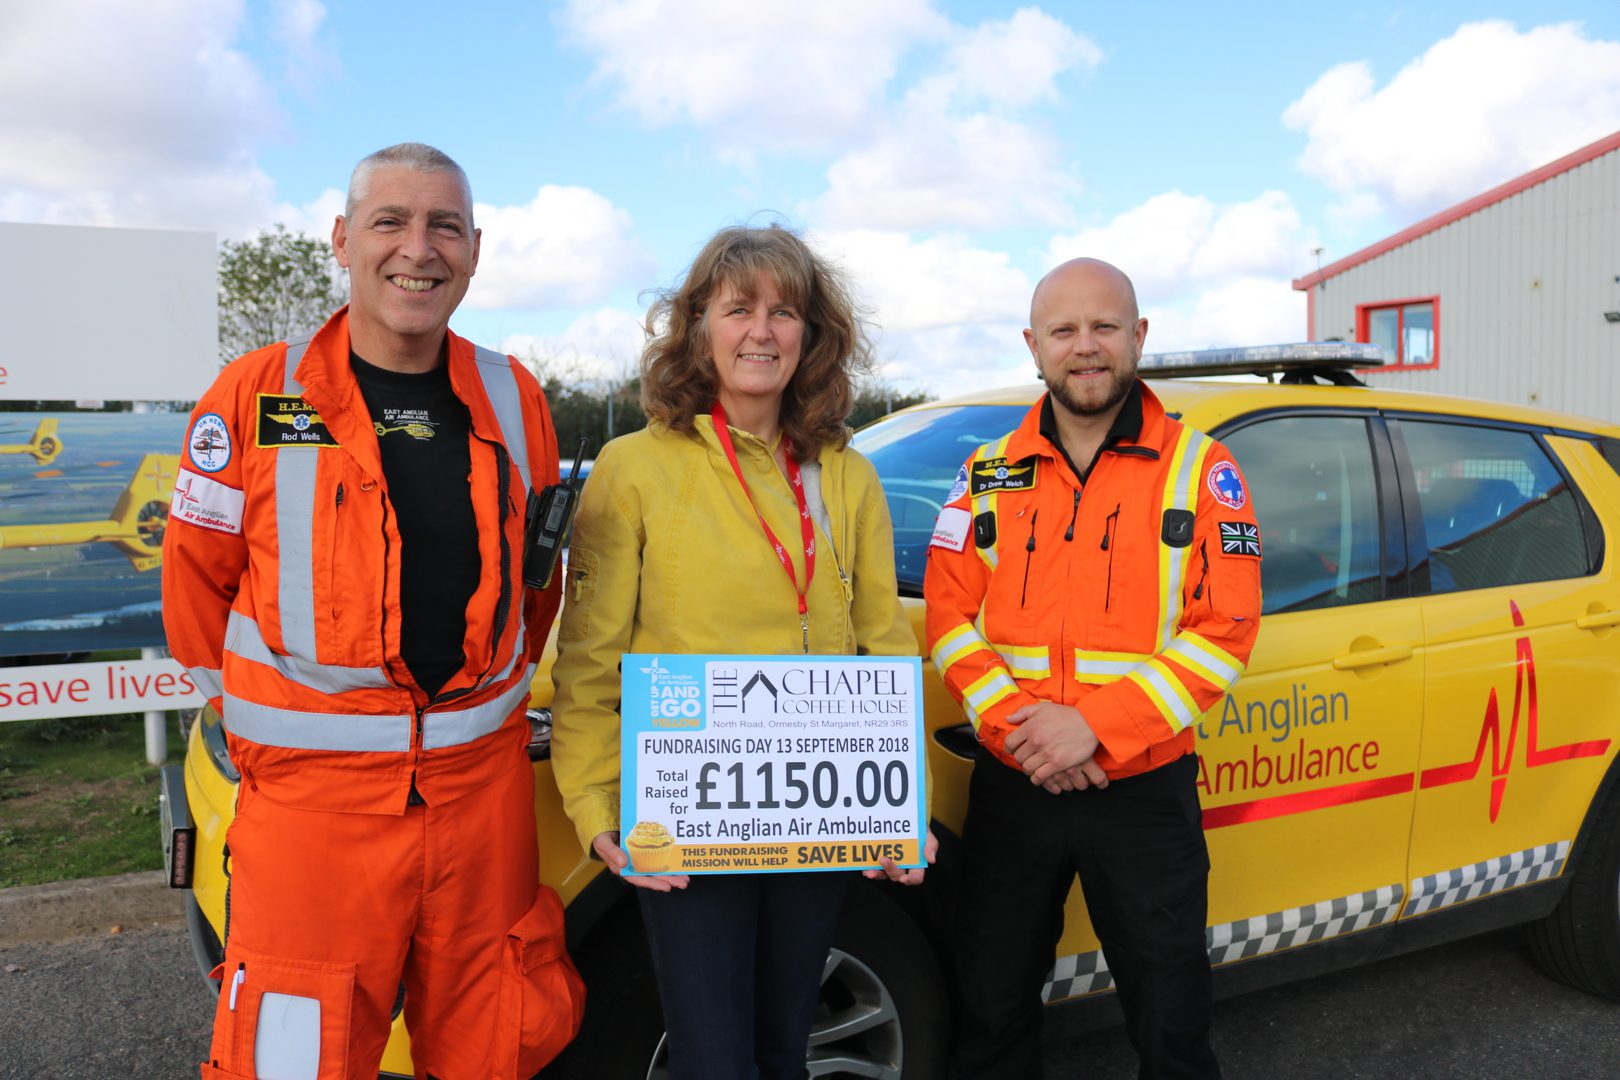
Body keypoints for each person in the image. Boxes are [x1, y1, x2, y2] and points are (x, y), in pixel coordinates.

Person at [162, 142, 583, 1080]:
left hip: (483, 802)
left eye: (444, 226)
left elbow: (538, 582)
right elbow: (195, 582)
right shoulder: (256, 395)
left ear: (475, 249)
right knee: (295, 1049)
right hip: (314, 810)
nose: (417, 248)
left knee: (492, 1041)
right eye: (391, 221)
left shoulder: (517, 398)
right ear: (344, 239)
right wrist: (263, 737)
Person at [549, 224, 935, 1080]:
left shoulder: (848, 474)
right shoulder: (633, 466)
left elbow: (884, 645)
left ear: (813, 334)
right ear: (698, 327)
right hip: (687, 813)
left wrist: (902, 808)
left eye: (785, 311)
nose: (762, 330)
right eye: (739, 309)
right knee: (712, 1057)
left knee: (782, 1047)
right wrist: (593, 804)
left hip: (816, 804)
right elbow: (588, 658)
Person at [924, 258, 1262, 1079]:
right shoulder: (986, 472)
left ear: (1138, 337)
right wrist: (1028, 735)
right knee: (992, 1005)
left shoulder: (1203, 470)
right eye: (1065, 331)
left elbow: (1227, 629)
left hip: (1142, 792)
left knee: (1170, 1017)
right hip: (1016, 783)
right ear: (1034, 345)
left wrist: (1095, 731)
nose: (1086, 347)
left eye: (1104, 327)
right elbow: (948, 616)